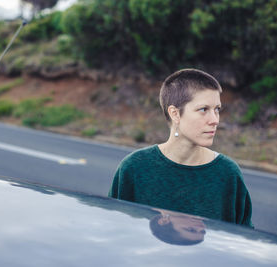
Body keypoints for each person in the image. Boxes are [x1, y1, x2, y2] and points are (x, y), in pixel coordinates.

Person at [108, 68, 253, 227]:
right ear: (175, 114)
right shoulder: (134, 167)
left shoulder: (228, 174)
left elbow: (243, 240)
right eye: (203, 109)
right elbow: (115, 230)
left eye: (217, 109)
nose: (215, 120)